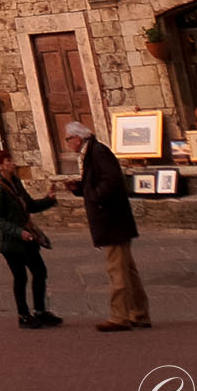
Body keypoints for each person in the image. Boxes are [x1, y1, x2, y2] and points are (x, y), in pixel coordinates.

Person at [63, 119, 149, 330]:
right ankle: (139, 313)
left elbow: (111, 180)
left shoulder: (98, 152)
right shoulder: (92, 151)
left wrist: (93, 195)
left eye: (68, 139)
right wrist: (80, 187)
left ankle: (119, 316)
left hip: (112, 218)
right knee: (128, 269)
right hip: (115, 218)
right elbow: (98, 180)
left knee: (117, 269)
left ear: (77, 138)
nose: (67, 144)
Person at [0, 148, 61, 329]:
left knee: (40, 271)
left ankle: (40, 311)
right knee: (20, 277)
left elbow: (30, 206)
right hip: (10, 241)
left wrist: (48, 200)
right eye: (8, 160)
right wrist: (18, 232)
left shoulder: (15, 182)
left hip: (26, 235)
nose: (13, 163)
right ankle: (23, 315)